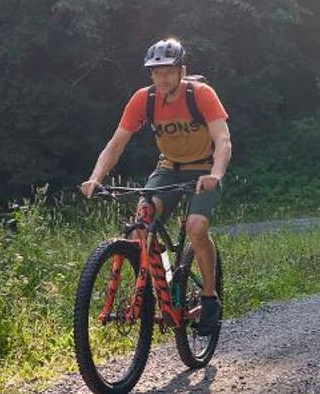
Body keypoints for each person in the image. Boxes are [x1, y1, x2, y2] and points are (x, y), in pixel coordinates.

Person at [80, 37, 231, 333]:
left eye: (169, 71)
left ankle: (210, 298)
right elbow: (115, 144)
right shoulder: (144, 99)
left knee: (197, 228)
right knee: (141, 226)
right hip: (168, 169)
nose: (162, 78)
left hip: (203, 170)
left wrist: (216, 173)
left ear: (181, 71)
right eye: (156, 72)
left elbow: (223, 139)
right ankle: (159, 286)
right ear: (151, 74)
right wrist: (96, 177)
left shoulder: (201, 94)